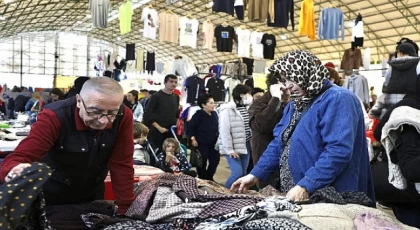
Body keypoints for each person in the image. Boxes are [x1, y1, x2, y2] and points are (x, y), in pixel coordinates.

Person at [231, 50, 375, 203]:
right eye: (284, 81)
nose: (288, 86)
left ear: (307, 72)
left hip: (331, 192)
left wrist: (307, 185)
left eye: (293, 79)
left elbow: (338, 150)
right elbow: (279, 143)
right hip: (301, 191)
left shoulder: (338, 99)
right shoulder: (297, 102)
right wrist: (255, 174)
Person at [0, 77, 135, 215]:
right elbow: (21, 156)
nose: (103, 121)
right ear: (78, 101)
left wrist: (125, 211)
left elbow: (122, 164)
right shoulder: (54, 116)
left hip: (92, 197)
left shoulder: (123, 116)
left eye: (112, 113)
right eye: (94, 111)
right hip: (52, 198)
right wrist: (14, 170)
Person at [248, 72, 290, 189]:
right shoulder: (260, 103)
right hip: (267, 162)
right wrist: (275, 99)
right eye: (285, 82)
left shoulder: (295, 103)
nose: (289, 87)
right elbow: (261, 126)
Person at [219, 84, 253, 189]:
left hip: (246, 144)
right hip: (233, 147)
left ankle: (236, 195)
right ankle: (224, 192)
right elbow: (224, 131)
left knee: (243, 173)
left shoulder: (245, 108)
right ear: (241, 95)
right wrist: (229, 149)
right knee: (237, 173)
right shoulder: (227, 110)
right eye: (247, 94)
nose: (249, 96)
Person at [143, 75, 180, 152]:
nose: (173, 84)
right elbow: (148, 114)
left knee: (170, 153)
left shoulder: (176, 97)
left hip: (171, 131)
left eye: (175, 82)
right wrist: (159, 127)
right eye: (171, 81)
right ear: (165, 82)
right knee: (157, 153)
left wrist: (177, 122)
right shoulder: (156, 96)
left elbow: (176, 112)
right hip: (157, 131)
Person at [188, 94, 220, 181]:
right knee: (201, 163)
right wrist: (193, 139)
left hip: (214, 143)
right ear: (203, 105)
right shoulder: (198, 115)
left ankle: (209, 178)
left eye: (213, 103)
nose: (213, 105)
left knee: (215, 161)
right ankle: (202, 178)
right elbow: (190, 128)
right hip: (202, 143)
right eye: (211, 103)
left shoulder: (214, 114)